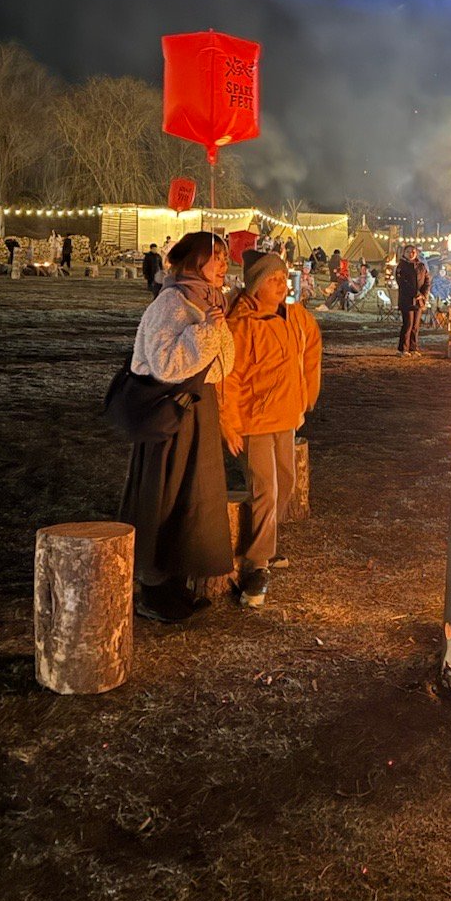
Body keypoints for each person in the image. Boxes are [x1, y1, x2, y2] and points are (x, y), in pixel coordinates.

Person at [119, 232, 236, 623]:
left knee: (191, 499)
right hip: (169, 418)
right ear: (193, 262)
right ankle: (153, 590)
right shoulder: (170, 302)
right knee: (162, 498)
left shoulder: (210, 301)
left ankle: (177, 585)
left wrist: (217, 328)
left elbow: (222, 367)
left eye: (224, 258)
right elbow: (165, 365)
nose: (223, 265)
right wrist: (206, 330)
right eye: (215, 258)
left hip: (198, 414)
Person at [220, 253, 322, 608]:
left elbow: (312, 344)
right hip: (256, 420)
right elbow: (228, 379)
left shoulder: (295, 316)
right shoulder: (241, 325)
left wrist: (308, 391)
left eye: (283, 278)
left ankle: (264, 541)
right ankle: (257, 564)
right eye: (274, 280)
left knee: (287, 483)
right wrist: (228, 423)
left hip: (286, 416)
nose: (282, 285)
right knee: (265, 489)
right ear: (257, 286)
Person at [395, 244, 430, 355]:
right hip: (407, 300)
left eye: (413, 251)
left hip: (419, 301)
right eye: (409, 251)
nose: (411, 253)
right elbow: (403, 283)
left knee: (415, 325)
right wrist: (415, 293)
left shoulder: (421, 266)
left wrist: (423, 294)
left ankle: (413, 348)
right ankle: (403, 349)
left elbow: (427, 281)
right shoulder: (401, 266)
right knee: (408, 324)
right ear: (404, 253)